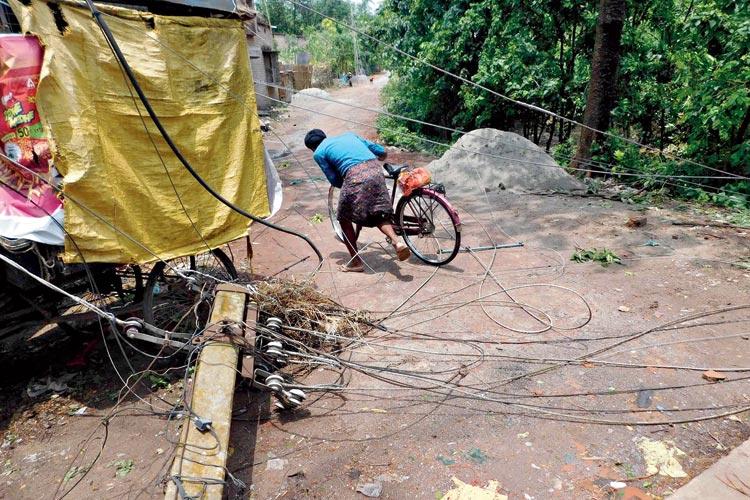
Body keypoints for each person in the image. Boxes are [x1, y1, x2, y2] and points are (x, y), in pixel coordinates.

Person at [304, 129, 410, 272]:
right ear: (325, 136)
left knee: (343, 217)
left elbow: (334, 180)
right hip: (376, 170)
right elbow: (380, 151)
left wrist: (348, 185)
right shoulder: (349, 135)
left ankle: (356, 262)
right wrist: (382, 156)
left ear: (312, 148)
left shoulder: (318, 153)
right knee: (378, 212)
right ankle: (397, 241)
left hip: (355, 177)